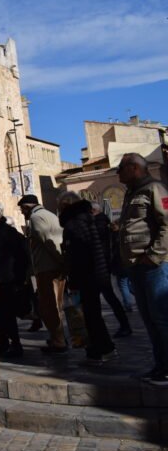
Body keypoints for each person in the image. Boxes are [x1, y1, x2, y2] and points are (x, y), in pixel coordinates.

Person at [117, 153, 168, 385]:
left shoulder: (154, 189)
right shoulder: (132, 192)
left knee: (161, 317)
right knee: (149, 319)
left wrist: (154, 255)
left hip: (154, 265)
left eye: (121, 168)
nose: (118, 173)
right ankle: (160, 367)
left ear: (135, 168)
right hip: (136, 266)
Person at [57, 192, 118, 364]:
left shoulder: (75, 222)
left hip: (87, 275)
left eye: (60, 203)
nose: (59, 207)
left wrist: (74, 276)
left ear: (67, 204)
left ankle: (101, 349)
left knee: (91, 315)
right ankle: (102, 348)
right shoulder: (82, 218)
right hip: (92, 273)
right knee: (92, 314)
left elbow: (81, 250)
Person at [18, 194, 68, 353]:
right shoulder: (49, 214)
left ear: (27, 207)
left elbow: (48, 241)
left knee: (50, 306)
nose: (22, 213)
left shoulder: (36, 218)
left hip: (47, 268)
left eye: (22, 210)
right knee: (55, 305)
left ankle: (58, 341)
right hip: (53, 266)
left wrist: (60, 262)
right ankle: (58, 337)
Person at [0, 201, 30, 358]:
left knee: (9, 313)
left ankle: (16, 344)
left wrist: (20, 278)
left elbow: (21, 256)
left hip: (7, 278)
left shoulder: (9, 232)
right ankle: (4, 342)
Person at [90, 203, 132, 337]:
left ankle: (122, 325)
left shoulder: (99, 224)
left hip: (101, 267)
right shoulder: (103, 222)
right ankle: (123, 324)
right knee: (111, 296)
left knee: (111, 295)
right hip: (105, 266)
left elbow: (101, 247)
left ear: (93, 211)